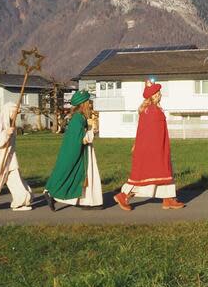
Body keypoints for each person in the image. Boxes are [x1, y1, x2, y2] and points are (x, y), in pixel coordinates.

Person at [113, 80, 186, 211]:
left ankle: (168, 199)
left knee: (162, 172)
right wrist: (158, 150)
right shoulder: (152, 111)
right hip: (153, 149)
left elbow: (145, 132)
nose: (161, 95)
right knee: (145, 174)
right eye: (158, 92)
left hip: (153, 147)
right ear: (154, 95)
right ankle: (123, 195)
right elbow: (152, 134)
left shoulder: (148, 110)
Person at [44, 90, 103, 210]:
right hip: (82, 152)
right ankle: (52, 193)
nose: (90, 104)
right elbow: (81, 139)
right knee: (80, 174)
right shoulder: (78, 119)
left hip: (85, 151)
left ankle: (87, 202)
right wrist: (93, 131)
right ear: (83, 104)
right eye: (88, 102)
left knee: (86, 176)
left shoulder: (79, 117)